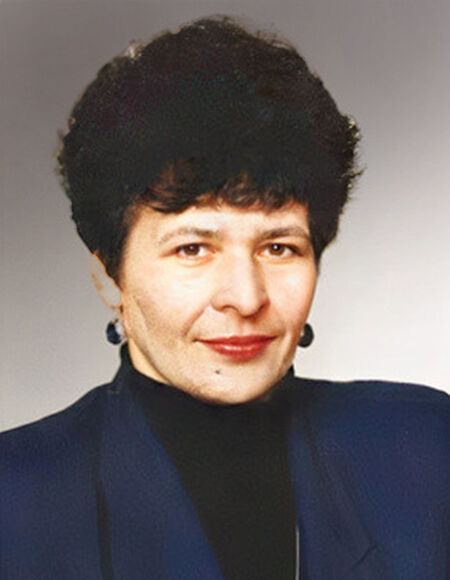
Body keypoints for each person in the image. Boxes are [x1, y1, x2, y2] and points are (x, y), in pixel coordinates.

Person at [1, 15, 448, 580]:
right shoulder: (17, 492)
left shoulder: (425, 448)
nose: (245, 296)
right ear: (108, 278)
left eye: (279, 247)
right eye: (193, 248)